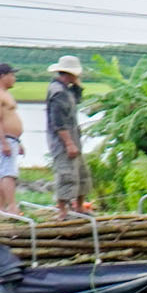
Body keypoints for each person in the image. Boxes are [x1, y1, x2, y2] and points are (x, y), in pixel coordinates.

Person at [45, 55, 90, 217]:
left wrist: (78, 86)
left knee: (81, 173)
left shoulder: (67, 90)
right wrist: (69, 143)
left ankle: (79, 207)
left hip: (73, 137)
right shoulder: (58, 92)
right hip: (63, 141)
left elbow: (77, 99)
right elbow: (58, 122)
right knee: (66, 174)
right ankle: (63, 211)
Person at [0, 63, 25, 214]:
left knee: (3, 171)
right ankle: (11, 206)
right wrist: (4, 142)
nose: (14, 78)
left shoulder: (5, 93)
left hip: (12, 138)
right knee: (8, 172)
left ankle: (2, 207)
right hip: (4, 139)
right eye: (12, 75)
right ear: (3, 76)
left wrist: (18, 142)